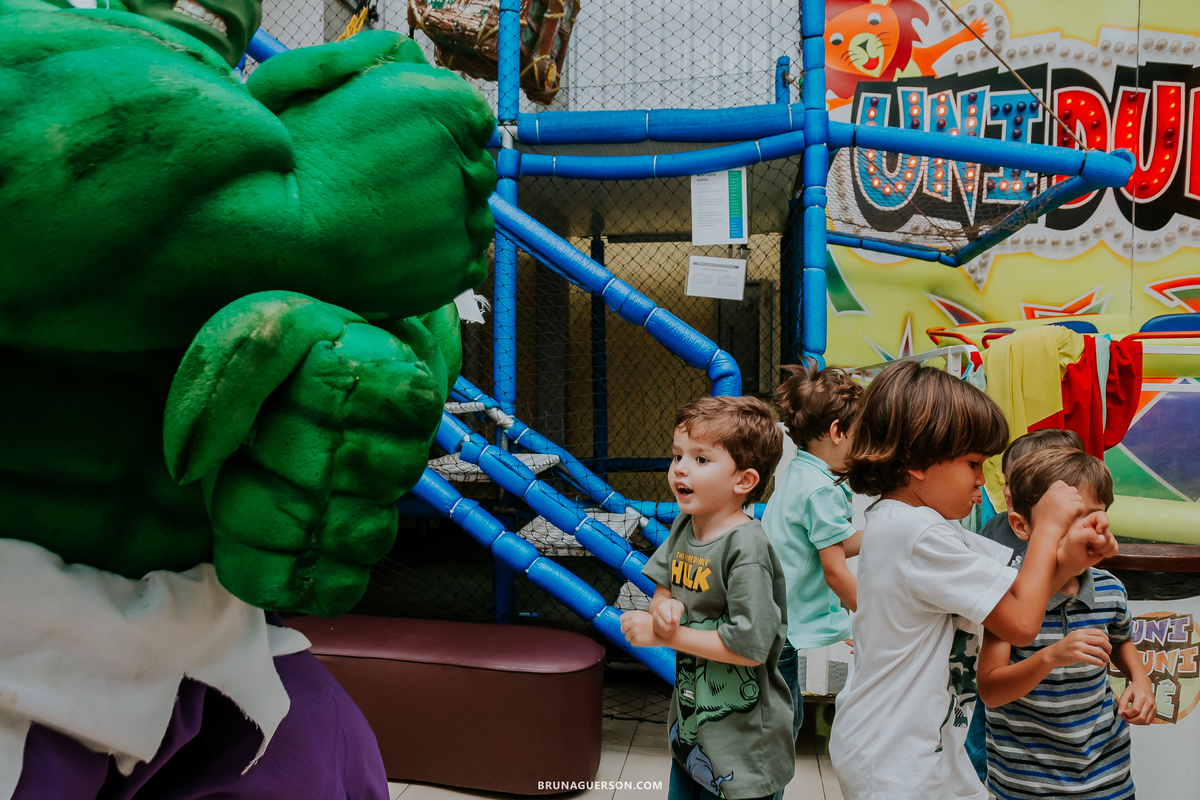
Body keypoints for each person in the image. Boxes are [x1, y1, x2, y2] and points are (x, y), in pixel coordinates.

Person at [826, 361, 1118, 800]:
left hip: (916, 745)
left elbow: (1017, 593)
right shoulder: (918, 534)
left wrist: (1066, 560)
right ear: (917, 461)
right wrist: (1048, 529)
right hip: (894, 759)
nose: (981, 482)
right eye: (973, 463)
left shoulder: (921, 525)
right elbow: (1019, 622)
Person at [620, 396, 794, 800]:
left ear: (744, 481)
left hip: (744, 753)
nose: (680, 467)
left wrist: (664, 636)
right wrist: (664, 610)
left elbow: (749, 648)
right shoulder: (686, 525)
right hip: (692, 737)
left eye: (701, 459)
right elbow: (662, 589)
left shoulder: (745, 548)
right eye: (678, 455)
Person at [978, 448, 1154, 800]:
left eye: (1095, 515)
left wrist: (1140, 679)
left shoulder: (1109, 587)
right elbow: (991, 690)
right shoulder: (1005, 595)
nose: (1087, 529)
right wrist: (1051, 656)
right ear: (1022, 525)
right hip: (1027, 787)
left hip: (1109, 780)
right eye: (1068, 518)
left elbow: (1120, 638)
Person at [965, 427, 1088, 779]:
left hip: (1050, 688)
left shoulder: (1079, 543)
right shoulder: (996, 527)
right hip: (993, 665)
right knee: (980, 745)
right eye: (1005, 479)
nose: (1005, 489)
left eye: (1016, 480)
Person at [762, 362, 863, 741]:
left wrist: (882, 533)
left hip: (773, 618)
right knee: (782, 727)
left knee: (782, 718)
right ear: (837, 431)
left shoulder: (801, 473)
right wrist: (867, 620)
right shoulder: (822, 490)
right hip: (784, 629)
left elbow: (829, 543)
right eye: (860, 435)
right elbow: (835, 571)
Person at [980, 428, 1088, 570]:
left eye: (1020, 485)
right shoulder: (996, 527)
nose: (1007, 492)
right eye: (1006, 482)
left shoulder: (1074, 535)